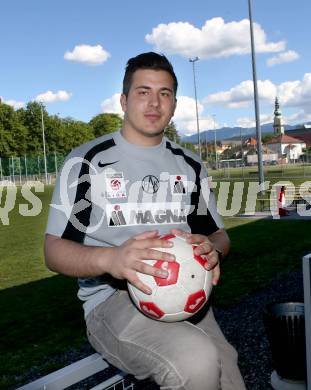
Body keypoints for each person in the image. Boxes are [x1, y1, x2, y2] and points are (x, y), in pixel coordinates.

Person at [44, 52, 246, 390]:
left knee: (228, 373)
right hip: (112, 300)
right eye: (143, 92)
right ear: (123, 100)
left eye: (164, 93)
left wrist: (213, 248)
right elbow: (53, 251)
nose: (154, 103)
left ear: (174, 104)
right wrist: (112, 259)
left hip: (187, 295)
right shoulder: (87, 161)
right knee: (194, 361)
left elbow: (218, 235)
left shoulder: (190, 165)